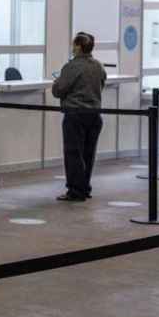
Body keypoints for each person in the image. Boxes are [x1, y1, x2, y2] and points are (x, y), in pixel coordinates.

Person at [52, 32, 106, 202]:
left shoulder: (72, 67)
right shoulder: (99, 66)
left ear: (78, 47)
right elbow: (101, 85)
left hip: (75, 114)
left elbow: (58, 90)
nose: (72, 47)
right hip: (94, 115)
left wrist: (56, 82)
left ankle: (75, 191)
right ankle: (84, 188)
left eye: (74, 44)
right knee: (88, 154)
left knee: (74, 153)